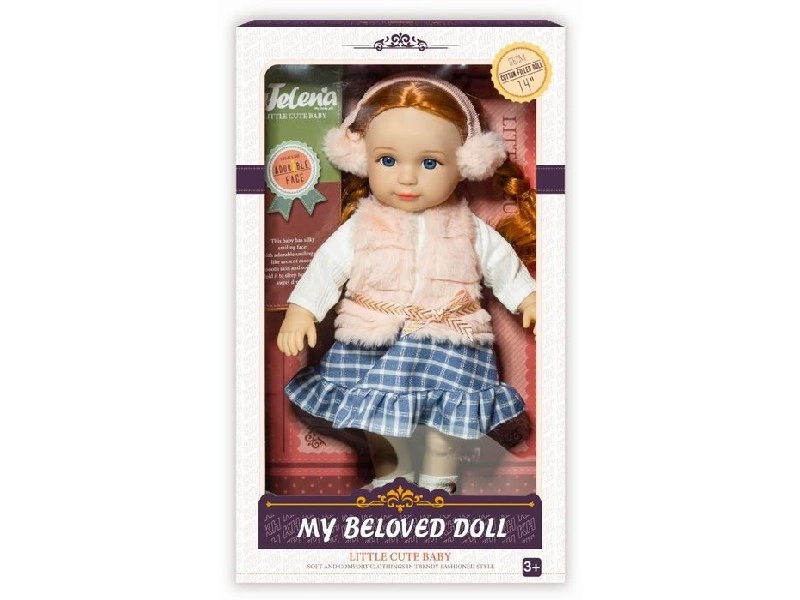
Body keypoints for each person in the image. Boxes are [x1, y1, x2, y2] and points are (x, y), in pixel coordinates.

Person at [276, 72, 537, 495]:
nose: (408, 178)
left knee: (444, 427)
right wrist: (302, 308)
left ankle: (438, 483)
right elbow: (326, 267)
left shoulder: (466, 226)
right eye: (387, 160)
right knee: (380, 422)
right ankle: (390, 479)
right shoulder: (363, 224)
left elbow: (502, 264)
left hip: (450, 341)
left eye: (430, 163)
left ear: (464, 165)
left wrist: (529, 298)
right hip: (373, 342)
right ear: (362, 158)